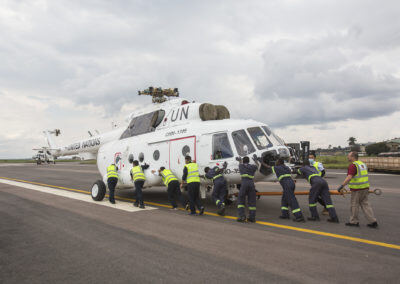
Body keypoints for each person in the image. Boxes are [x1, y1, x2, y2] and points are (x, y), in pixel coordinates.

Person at [256, 156, 304, 222]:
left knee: (292, 200)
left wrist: (261, 162)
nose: (276, 162)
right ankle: (285, 214)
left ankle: (299, 216)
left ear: (279, 163)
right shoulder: (286, 167)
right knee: (284, 199)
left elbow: (268, 168)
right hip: (291, 183)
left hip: (287, 184)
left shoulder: (278, 168)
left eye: (277, 161)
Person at [337, 151, 378, 228]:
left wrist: (342, 186)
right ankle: (373, 221)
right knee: (366, 205)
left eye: (349, 156)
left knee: (354, 205)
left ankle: (354, 222)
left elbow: (349, 177)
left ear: (353, 157)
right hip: (365, 187)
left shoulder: (353, 165)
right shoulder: (362, 164)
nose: (347, 157)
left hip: (357, 189)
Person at [236, 156, 257, 223]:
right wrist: (256, 160)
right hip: (251, 184)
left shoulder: (241, 166)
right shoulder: (253, 167)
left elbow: (240, 163)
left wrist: (239, 160)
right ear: (248, 161)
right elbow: (258, 166)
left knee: (241, 200)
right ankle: (252, 218)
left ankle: (242, 216)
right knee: (252, 201)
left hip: (244, 183)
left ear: (243, 161)